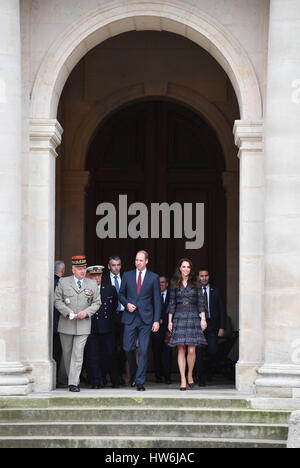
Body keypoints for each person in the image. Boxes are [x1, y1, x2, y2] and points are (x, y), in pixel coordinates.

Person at [54, 255, 101, 392]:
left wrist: (86, 312)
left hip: (83, 324)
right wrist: (67, 312)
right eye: (79, 269)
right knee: (67, 354)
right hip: (66, 324)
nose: (82, 271)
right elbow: (57, 301)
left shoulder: (92, 283)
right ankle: (71, 379)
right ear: (73, 269)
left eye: (84, 268)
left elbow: (97, 302)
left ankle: (74, 383)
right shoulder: (63, 282)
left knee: (78, 353)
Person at [119, 250, 161, 391]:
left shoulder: (153, 277)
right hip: (130, 317)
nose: (138, 262)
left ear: (147, 261)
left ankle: (140, 381)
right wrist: (126, 304)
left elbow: (157, 300)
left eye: (141, 260)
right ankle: (136, 371)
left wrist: (156, 320)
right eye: (136, 260)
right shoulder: (127, 275)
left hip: (146, 319)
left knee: (143, 350)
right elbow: (121, 294)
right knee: (128, 348)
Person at [168, 258, 207, 391]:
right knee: (181, 349)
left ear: (191, 269)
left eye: (188, 267)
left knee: (192, 349)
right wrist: (169, 321)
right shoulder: (174, 282)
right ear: (180, 268)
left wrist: (203, 319)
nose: (186, 269)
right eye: (184, 267)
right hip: (179, 315)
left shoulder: (196, 282)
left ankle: (190, 374)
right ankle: (183, 379)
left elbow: (201, 301)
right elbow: (171, 302)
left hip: (192, 315)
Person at [85, 265, 119, 388]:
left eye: (99, 275)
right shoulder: (86, 290)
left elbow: (114, 305)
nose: (97, 278)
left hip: (107, 327)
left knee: (110, 354)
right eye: (94, 276)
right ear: (90, 276)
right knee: (93, 355)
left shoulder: (110, 289)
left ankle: (114, 380)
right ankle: (96, 381)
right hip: (92, 327)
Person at [197, 268, 227, 386]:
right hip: (198, 325)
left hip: (213, 326)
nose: (204, 278)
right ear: (198, 277)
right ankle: (201, 377)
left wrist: (222, 327)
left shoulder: (216, 290)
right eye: (201, 276)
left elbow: (222, 309)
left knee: (212, 350)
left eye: (206, 275)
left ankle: (208, 372)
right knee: (199, 351)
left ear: (209, 277)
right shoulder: (195, 291)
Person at [103, 255, 127, 385]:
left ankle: (120, 374)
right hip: (110, 317)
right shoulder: (104, 280)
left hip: (124, 316)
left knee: (124, 348)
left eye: (118, 265)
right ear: (109, 266)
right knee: (110, 348)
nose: (116, 267)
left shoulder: (126, 279)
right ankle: (113, 378)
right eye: (113, 265)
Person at [151, 276, 173, 384]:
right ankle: (158, 376)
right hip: (156, 328)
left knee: (168, 353)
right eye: (159, 283)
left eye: (163, 282)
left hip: (168, 328)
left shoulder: (172, 295)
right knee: (157, 352)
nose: (161, 284)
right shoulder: (153, 295)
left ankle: (167, 376)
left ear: (167, 284)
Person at [53, 260, 65, 387]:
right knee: (56, 353)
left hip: (52, 324)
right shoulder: (60, 283)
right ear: (62, 271)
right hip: (58, 324)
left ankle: (55, 379)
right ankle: (55, 380)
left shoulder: (50, 281)